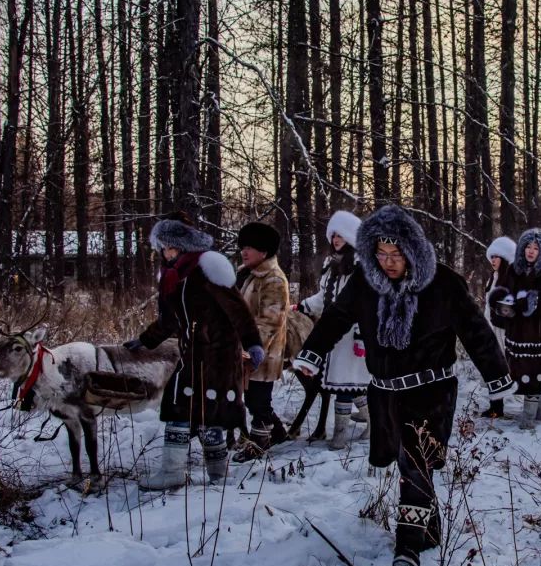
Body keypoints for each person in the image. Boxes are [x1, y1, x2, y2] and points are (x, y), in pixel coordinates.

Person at [292, 205, 515, 566]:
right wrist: (312, 353)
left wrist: (496, 377)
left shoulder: (443, 282)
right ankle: (429, 527)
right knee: (407, 461)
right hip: (385, 394)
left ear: (412, 250)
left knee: (416, 461)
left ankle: (408, 543)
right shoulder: (364, 281)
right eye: (380, 254)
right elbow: (336, 317)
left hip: (432, 391)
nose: (387, 262)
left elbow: (475, 329)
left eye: (395, 255)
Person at [125, 213, 264, 490]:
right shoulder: (172, 277)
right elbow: (171, 320)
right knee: (204, 412)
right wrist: (145, 340)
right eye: (163, 248)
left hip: (218, 355)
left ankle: (175, 472)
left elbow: (238, 309)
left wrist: (252, 343)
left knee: (181, 407)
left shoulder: (207, 268)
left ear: (184, 245)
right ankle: (218, 474)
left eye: (171, 246)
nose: (166, 253)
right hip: (192, 354)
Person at [295, 210, 372, 448]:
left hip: (352, 336)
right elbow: (324, 298)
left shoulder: (361, 267)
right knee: (349, 383)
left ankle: (340, 435)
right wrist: (302, 306)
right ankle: (372, 419)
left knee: (345, 383)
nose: (336, 240)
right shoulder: (331, 266)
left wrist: (361, 334)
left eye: (340, 235)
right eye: (333, 235)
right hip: (332, 333)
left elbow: (364, 303)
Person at [488, 228, 541, 428]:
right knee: (517, 372)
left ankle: (528, 417)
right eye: (528, 246)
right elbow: (503, 292)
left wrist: (531, 303)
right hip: (516, 331)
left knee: (534, 370)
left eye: (536, 248)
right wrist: (504, 307)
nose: (531, 251)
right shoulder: (513, 270)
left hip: (535, 332)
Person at [233, 222, 291, 462]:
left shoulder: (274, 280)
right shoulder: (246, 274)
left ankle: (259, 443)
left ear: (264, 252)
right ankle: (277, 432)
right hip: (244, 347)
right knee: (252, 398)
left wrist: (250, 350)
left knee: (258, 400)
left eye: (250, 247)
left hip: (264, 353)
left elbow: (269, 322)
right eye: (243, 246)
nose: (244, 252)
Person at [481, 235, 516, 417]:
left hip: (503, 331)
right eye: (492, 257)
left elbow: (511, 308)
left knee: (509, 368)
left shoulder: (510, 279)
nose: (493, 260)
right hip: (490, 328)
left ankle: (538, 399)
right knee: (493, 367)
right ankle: (496, 406)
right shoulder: (492, 278)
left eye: (497, 257)